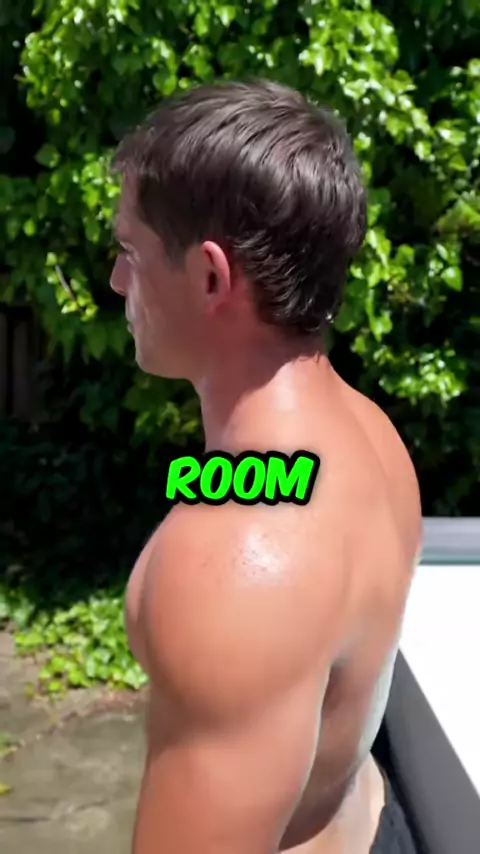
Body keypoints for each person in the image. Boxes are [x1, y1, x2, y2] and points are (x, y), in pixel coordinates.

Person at [109, 79, 423, 854]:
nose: (117, 282)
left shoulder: (235, 568)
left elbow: (248, 562)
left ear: (211, 277)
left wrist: (194, 569)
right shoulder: (366, 431)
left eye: (130, 253)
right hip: (371, 822)